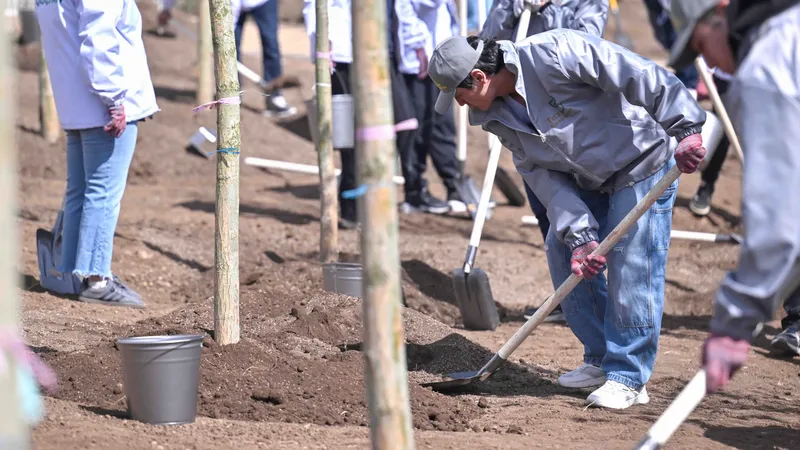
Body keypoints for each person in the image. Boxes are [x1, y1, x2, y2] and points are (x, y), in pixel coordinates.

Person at [428, 30, 707, 408]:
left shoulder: (556, 52)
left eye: (458, 95)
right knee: (563, 250)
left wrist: (685, 125)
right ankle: (600, 357)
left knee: (632, 261)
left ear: (478, 77)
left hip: (641, 160)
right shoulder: (493, 115)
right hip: (588, 178)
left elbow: (636, 73)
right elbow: (540, 173)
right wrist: (580, 236)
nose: (460, 105)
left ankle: (628, 376)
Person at [666, 0, 800, 393]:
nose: (711, 62)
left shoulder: (768, 66)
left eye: (702, 45)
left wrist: (735, 322)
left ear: (721, 13)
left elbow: (780, 219)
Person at [479, 0, 609, 323]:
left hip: (570, 122)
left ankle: (603, 302)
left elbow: (587, 41)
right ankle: (573, 297)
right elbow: (486, 46)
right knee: (546, 207)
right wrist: (509, 9)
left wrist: (549, 11)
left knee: (589, 212)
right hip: (523, 120)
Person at [35, 0, 159, 308]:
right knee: (103, 194)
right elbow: (99, 35)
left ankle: (69, 273)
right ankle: (96, 279)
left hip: (74, 102)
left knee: (80, 190)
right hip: (103, 105)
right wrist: (114, 98)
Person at [302, 0, 419, 228]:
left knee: (405, 123)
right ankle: (351, 208)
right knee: (351, 137)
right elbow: (313, 5)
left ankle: (375, 194)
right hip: (340, 53)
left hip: (373, 50)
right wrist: (321, 40)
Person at [395, 0, 464, 214]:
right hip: (420, 60)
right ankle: (414, 191)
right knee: (418, 128)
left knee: (441, 124)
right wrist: (417, 45)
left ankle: (454, 185)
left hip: (439, 56)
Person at [232, 0, 298, 118]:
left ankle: (274, 96)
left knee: (271, 44)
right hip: (232, 3)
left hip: (263, 2)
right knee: (229, 47)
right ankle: (232, 94)